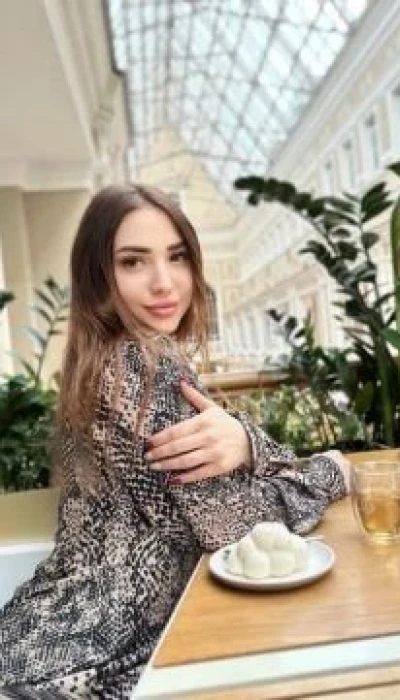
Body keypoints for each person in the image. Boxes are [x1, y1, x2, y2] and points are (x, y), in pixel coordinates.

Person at [0, 185, 349, 699]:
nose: (164, 282)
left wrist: (245, 440)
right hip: (81, 671)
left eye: (177, 256)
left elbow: (212, 500)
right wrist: (332, 471)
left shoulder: (99, 362)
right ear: (99, 276)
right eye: (133, 262)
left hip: (40, 644)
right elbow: (235, 526)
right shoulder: (145, 369)